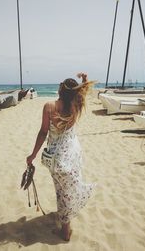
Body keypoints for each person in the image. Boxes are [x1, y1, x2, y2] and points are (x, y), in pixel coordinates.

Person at [26, 72, 95, 241]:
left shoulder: (49, 106)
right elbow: (84, 92)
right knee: (69, 190)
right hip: (72, 154)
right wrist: (84, 80)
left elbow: (43, 132)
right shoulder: (76, 105)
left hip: (56, 158)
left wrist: (33, 155)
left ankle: (65, 230)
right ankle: (66, 222)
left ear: (60, 89)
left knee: (61, 191)